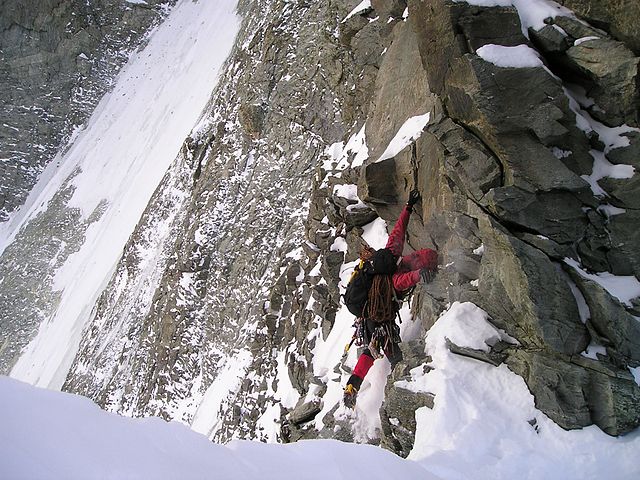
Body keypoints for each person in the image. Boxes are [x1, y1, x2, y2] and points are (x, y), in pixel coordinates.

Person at [343, 189, 437, 408]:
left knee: (371, 349)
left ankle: (353, 386)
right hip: (377, 319)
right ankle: (398, 377)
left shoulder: (388, 255)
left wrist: (408, 207)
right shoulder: (393, 278)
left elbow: (398, 231)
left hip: (369, 314)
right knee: (382, 350)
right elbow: (404, 281)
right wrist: (419, 275)